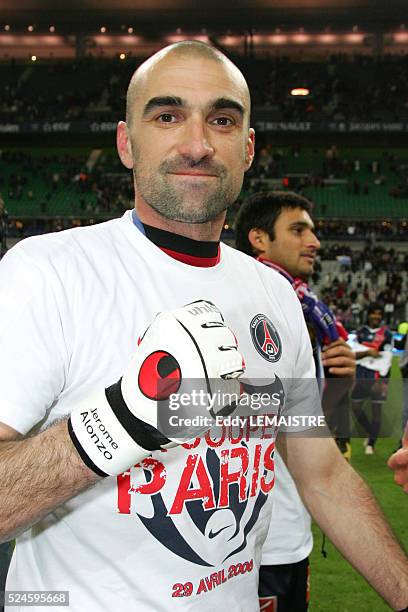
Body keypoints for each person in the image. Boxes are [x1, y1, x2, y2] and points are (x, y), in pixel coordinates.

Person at [0, 42, 407, 612]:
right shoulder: (47, 273)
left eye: (221, 120)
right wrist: (119, 423)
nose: (196, 144)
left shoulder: (274, 295)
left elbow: (323, 475)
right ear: (125, 142)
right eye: (167, 116)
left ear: (247, 148)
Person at [234, 190, 355, 611]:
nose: (315, 241)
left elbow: (320, 432)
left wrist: (340, 383)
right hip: (250, 536)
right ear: (259, 239)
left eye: (313, 230)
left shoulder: (304, 311)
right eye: (299, 229)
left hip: (291, 524)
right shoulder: (242, 310)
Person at [351, 303, 393, 455]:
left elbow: (386, 359)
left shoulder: (387, 334)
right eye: (373, 313)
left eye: (379, 314)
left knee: (376, 410)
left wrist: (383, 379)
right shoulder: (360, 332)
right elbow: (353, 354)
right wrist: (368, 352)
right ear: (368, 314)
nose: (376, 316)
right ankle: (370, 432)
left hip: (377, 376)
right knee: (355, 407)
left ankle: (371, 444)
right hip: (361, 375)